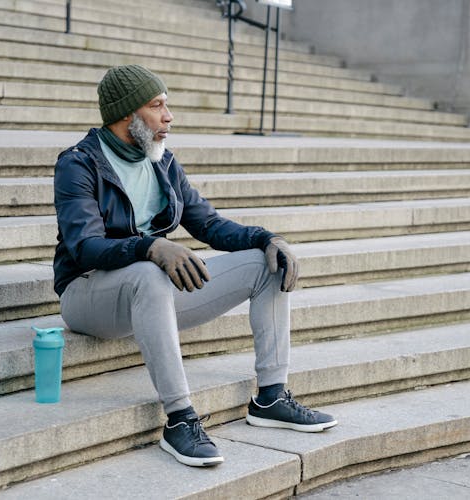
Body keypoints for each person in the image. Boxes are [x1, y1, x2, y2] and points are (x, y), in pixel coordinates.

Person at [53, 64, 337, 467]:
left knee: (264, 264)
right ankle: (180, 420)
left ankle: (271, 397)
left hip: (150, 293)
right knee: (150, 271)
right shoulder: (79, 163)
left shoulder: (162, 162)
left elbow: (208, 223)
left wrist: (266, 238)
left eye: (166, 105)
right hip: (88, 296)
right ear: (125, 114)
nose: (169, 116)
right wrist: (150, 247)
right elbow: (85, 247)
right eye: (157, 105)